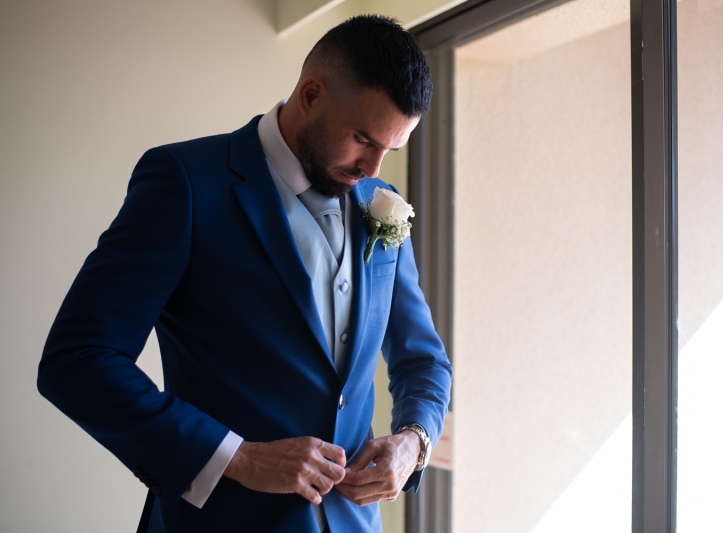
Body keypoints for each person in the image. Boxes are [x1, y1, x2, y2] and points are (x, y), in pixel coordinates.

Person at [38, 15, 452, 533]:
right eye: (363, 139)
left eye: (390, 149)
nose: (373, 169)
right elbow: (77, 361)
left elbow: (424, 360)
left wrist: (413, 441)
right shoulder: (185, 184)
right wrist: (237, 457)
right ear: (311, 94)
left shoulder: (377, 203)